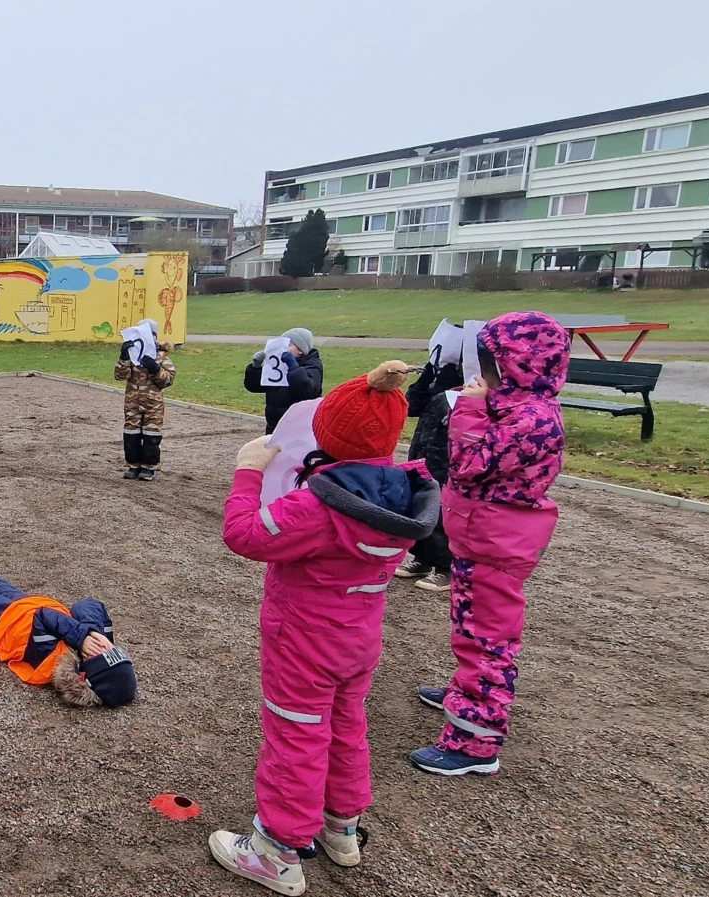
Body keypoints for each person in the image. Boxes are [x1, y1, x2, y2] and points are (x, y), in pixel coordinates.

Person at [214, 361, 441, 896]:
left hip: (303, 640)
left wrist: (249, 471)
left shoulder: (318, 505)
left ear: (325, 435)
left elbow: (245, 535)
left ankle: (277, 850)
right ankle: (342, 827)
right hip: (358, 638)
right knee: (346, 724)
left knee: (295, 732)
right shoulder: (401, 492)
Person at [409, 311, 569, 778]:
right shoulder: (518, 410)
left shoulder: (534, 420)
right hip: (480, 537)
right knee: (470, 626)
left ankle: (475, 740)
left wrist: (471, 408)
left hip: (497, 543)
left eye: (492, 365)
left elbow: (470, 463)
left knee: (487, 640)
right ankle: (465, 693)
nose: (483, 375)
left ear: (518, 366)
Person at [0, 554, 136, 708]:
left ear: (83, 675)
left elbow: (45, 616)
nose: (103, 647)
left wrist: (81, 636)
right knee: (0, 585)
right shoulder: (94, 641)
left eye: (102, 655)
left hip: (2, 622)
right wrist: (93, 631)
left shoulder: (54, 662)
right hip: (26, 605)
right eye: (111, 650)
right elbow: (88, 604)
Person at [392, 358, 463, 592]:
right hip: (423, 447)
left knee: (441, 507)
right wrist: (427, 378)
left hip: (445, 454)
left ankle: (445, 567)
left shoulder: (469, 386)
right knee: (420, 502)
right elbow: (411, 405)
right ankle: (422, 558)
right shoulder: (439, 378)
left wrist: (450, 384)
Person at [114, 318, 176, 481]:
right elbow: (119, 376)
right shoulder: (133, 355)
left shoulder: (161, 356)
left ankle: (149, 467)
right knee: (131, 434)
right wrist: (123, 357)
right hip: (133, 403)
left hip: (153, 404)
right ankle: (133, 465)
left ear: (154, 336)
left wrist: (155, 368)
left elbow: (168, 380)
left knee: (151, 435)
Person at [244, 328, 324, 434]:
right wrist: (255, 368)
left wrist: (293, 367)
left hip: (300, 427)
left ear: (301, 350)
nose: (283, 348)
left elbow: (308, 390)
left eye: (288, 344)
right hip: (274, 426)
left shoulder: (313, 365)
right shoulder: (276, 365)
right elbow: (254, 387)